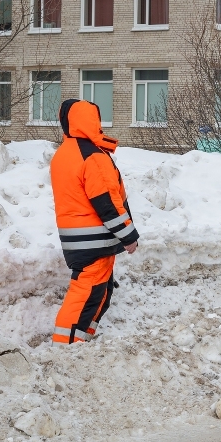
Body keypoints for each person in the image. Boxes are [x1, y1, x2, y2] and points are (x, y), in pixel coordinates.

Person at [50, 99, 139, 345]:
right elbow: (107, 203)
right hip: (94, 240)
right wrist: (128, 236)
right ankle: (65, 346)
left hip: (77, 238)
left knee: (99, 293)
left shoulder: (64, 153)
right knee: (86, 295)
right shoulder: (92, 157)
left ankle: (78, 342)